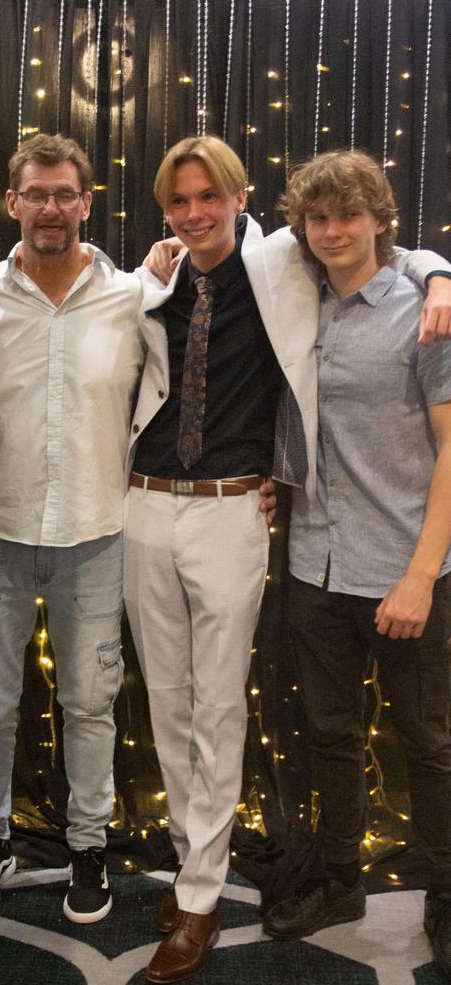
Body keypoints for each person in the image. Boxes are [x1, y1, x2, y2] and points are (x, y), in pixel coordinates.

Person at [124, 135, 451, 984]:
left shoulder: (321, 274)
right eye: (179, 201)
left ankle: (436, 897)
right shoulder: (176, 278)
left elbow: (397, 249)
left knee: (408, 739)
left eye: (211, 197)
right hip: (224, 528)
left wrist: (440, 270)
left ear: (242, 199)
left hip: (310, 536)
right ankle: (263, 866)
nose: (195, 214)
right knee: (245, 719)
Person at [259, 150, 451, 979]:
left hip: (405, 569)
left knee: (429, 745)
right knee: (329, 736)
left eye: (349, 216)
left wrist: (419, 574)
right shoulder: (298, 301)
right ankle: (341, 881)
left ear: (381, 219)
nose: (334, 232)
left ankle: (446, 896)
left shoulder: (423, 308)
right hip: (314, 565)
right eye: (318, 218)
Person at [0, 134, 147, 924]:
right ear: (12, 203)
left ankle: (88, 847)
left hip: (97, 532)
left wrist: (431, 268)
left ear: (87, 202)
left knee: (90, 704)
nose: (51, 208)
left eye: (66, 194)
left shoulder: (135, 294)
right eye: (36, 193)